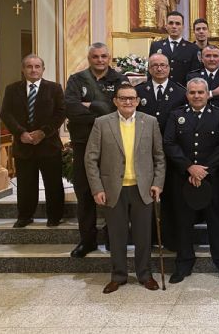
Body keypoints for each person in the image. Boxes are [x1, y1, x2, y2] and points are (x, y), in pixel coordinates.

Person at [84, 83, 165, 294]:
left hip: (142, 188)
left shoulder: (150, 122)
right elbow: (91, 159)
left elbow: (159, 157)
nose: (128, 102)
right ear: (115, 101)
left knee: (143, 237)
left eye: (131, 98)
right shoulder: (102, 123)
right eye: (123, 98)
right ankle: (118, 275)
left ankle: (145, 274)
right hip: (113, 189)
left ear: (138, 100)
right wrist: (97, 188)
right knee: (117, 235)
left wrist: (157, 183)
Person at [163, 78, 219, 284]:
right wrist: (189, 167)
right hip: (183, 178)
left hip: (212, 179)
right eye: (192, 93)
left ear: (207, 94)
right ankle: (183, 264)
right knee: (183, 223)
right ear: (187, 95)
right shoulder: (177, 116)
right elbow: (169, 143)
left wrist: (205, 170)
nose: (196, 96)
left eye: (200, 92)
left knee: (217, 224)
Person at [65, 42, 129, 258]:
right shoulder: (76, 79)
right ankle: (87, 240)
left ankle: (113, 238)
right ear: (89, 58)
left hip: (112, 143)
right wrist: (101, 107)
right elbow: (71, 109)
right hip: (83, 142)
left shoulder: (120, 79)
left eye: (103, 56)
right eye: (95, 57)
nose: (100, 60)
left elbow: (122, 108)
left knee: (114, 191)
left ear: (109, 57)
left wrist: (89, 105)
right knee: (84, 191)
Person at [0, 54, 65, 228]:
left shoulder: (54, 88)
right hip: (23, 144)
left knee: (53, 183)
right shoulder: (12, 89)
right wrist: (21, 133)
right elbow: (6, 113)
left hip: (49, 144)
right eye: (29, 66)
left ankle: (55, 217)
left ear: (43, 69)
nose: (33, 70)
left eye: (37, 66)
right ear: (23, 70)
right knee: (25, 183)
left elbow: (60, 112)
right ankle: (25, 216)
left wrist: (43, 133)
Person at [135, 53, 186, 250]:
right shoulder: (140, 91)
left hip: (171, 153)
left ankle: (170, 239)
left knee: (172, 198)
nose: (159, 69)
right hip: (145, 153)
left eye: (163, 65)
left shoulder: (180, 92)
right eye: (154, 65)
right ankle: (148, 240)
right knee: (146, 198)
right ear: (149, 69)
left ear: (169, 68)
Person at [149, 11, 200, 86]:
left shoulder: (192, 48)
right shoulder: (156, 46)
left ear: (183, 27)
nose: (174, 26)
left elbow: (195, 74)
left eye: (178, 23)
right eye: (171, 23)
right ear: (166, 26)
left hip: (183, 91)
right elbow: (150, 70)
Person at [187, 45, 219, 111]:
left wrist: (204, 96)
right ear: (201, 59)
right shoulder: (193, 76)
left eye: (215, 56)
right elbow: (191, 98)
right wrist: (213, 93)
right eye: (208, 56)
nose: (212, 59)